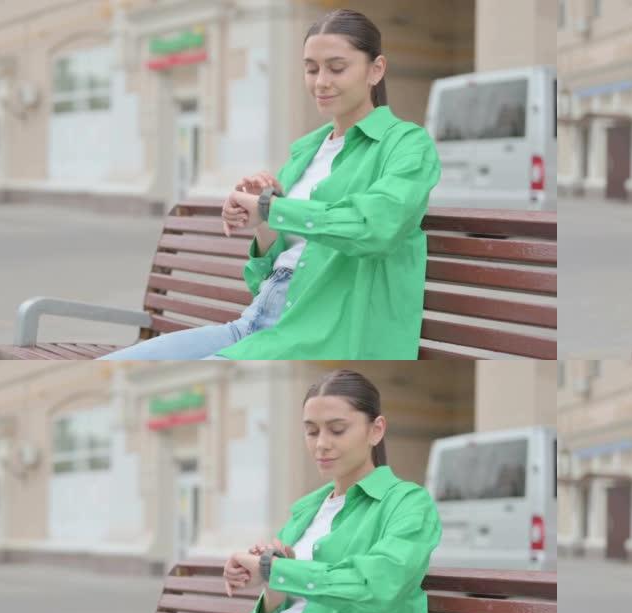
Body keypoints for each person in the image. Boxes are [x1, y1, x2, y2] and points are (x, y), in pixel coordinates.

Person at [100, 369, 442, 613]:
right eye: (311, 431)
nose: (321, 443)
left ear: (376, 430)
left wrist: (275, 569)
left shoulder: (407, 504)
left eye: (337, 429)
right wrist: (273, 586)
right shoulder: (308, 509)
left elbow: (378, 588)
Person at [101, 9, 441, 360]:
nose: (320, 81)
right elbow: (261, 277)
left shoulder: (406, 144)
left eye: (336, 68)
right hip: (253, 322)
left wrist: (273, 208)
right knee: (115, 363)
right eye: (311, 68)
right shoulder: (306, 149)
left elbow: (378, 226)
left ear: (376, 69)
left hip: (316, 335)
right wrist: (262, 221)